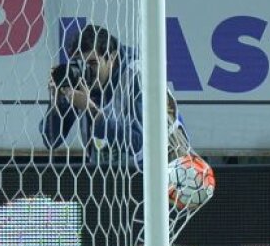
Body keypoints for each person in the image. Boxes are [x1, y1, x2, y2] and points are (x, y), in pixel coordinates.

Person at [40, 23, 192, 168]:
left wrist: (92, 111)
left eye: (92, 64)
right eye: (79, 63)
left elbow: (140, 144)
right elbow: (51, 140)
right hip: (113, 178)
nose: (87, 71)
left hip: (167, 171)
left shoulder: (137, 75)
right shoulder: (80, 78)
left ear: (111, 58)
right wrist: (57, 101)